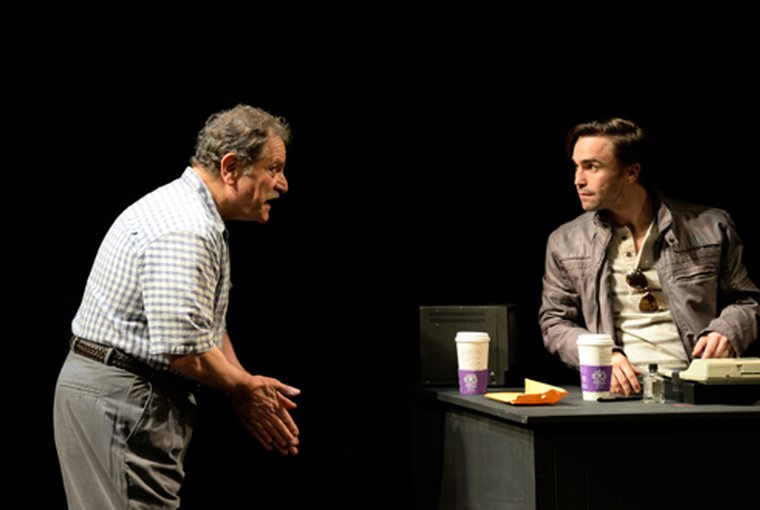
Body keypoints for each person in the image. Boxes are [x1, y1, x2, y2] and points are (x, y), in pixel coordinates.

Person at [53, 104, 301, 509]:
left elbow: (204, 326)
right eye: (274, 168)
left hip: (118, 394)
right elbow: (186, 351)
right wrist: (243, 386)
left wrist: (240, 380)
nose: (283, 184)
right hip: (121, 400)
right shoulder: (187, 227)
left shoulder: (193, 213)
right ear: (231, 167)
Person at [539, 117, 760, 396]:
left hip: (698, 390)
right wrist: (599, 355)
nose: (578, 180)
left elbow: (747, 300)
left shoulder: (711, 227)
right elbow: (554, 323)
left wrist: (728, 330)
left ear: (631, 172)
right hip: (617, 394)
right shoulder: (566, 242)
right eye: (576, 166)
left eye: (591, 167)